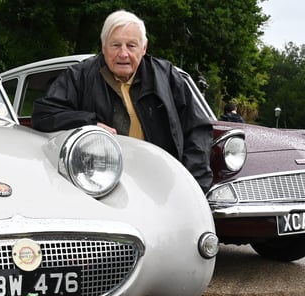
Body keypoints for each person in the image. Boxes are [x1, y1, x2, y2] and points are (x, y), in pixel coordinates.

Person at [32, 10, 213, 193]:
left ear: (144, 48)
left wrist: (191, 186)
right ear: (103, 47)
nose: (123, 53)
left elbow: (197, 129)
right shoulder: (79, 76)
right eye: (115, 45)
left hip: (161, 187)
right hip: (99, 186)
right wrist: (89, 123)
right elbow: (43, 114)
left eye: (131, 45)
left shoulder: (167, 77)